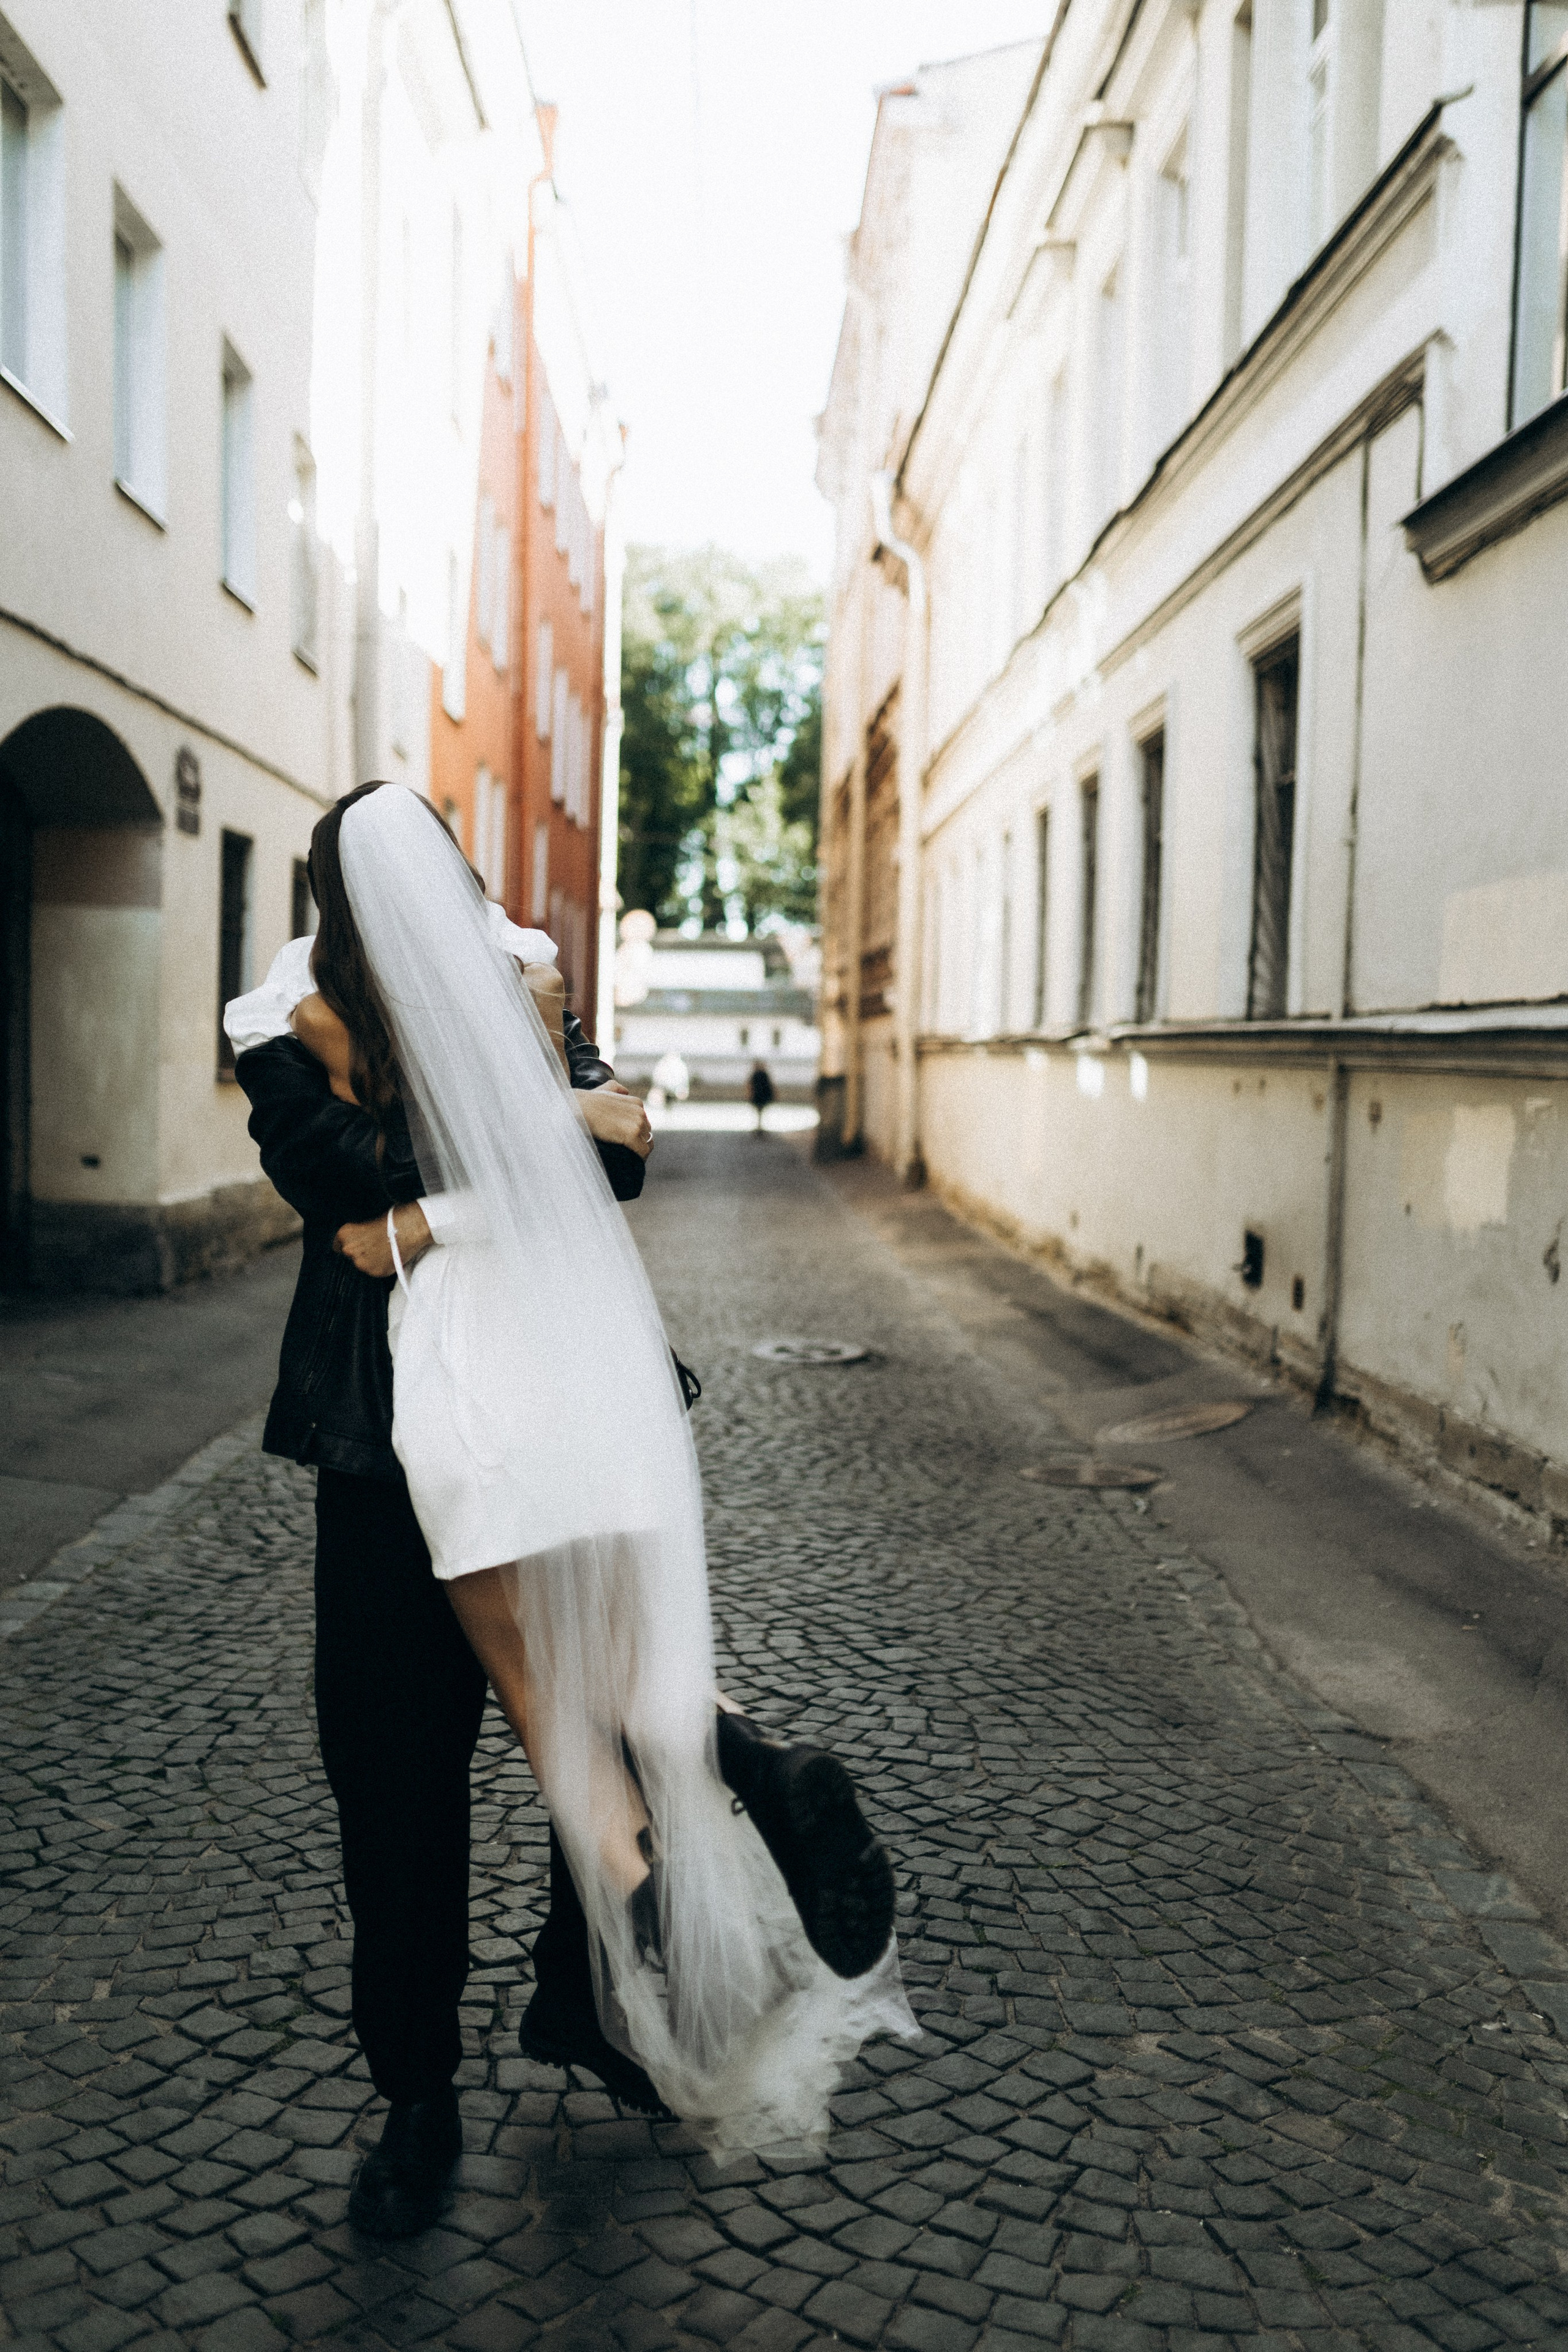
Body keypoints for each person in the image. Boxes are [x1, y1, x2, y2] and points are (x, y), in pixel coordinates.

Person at [230, 784, 906, 2231]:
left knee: (581, 1713)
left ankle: (587, 2002)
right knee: (398, 1785)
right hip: (379, 1452)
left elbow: (606, 1160)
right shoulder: (278, 1014)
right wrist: (524, 1121)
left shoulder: (519, 965)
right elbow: (326, 1173)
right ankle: (419, 2094)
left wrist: (441, 1182)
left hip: (533, 1395)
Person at [747, 1059, 776, 1136]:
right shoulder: (760, 1074)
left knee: (759, 1112)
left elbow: (751, 1085)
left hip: (760, 1095)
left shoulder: (759, 1074)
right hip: (760, 1095)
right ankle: (759, 1127)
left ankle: (759, 1127)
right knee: (760, 1112)